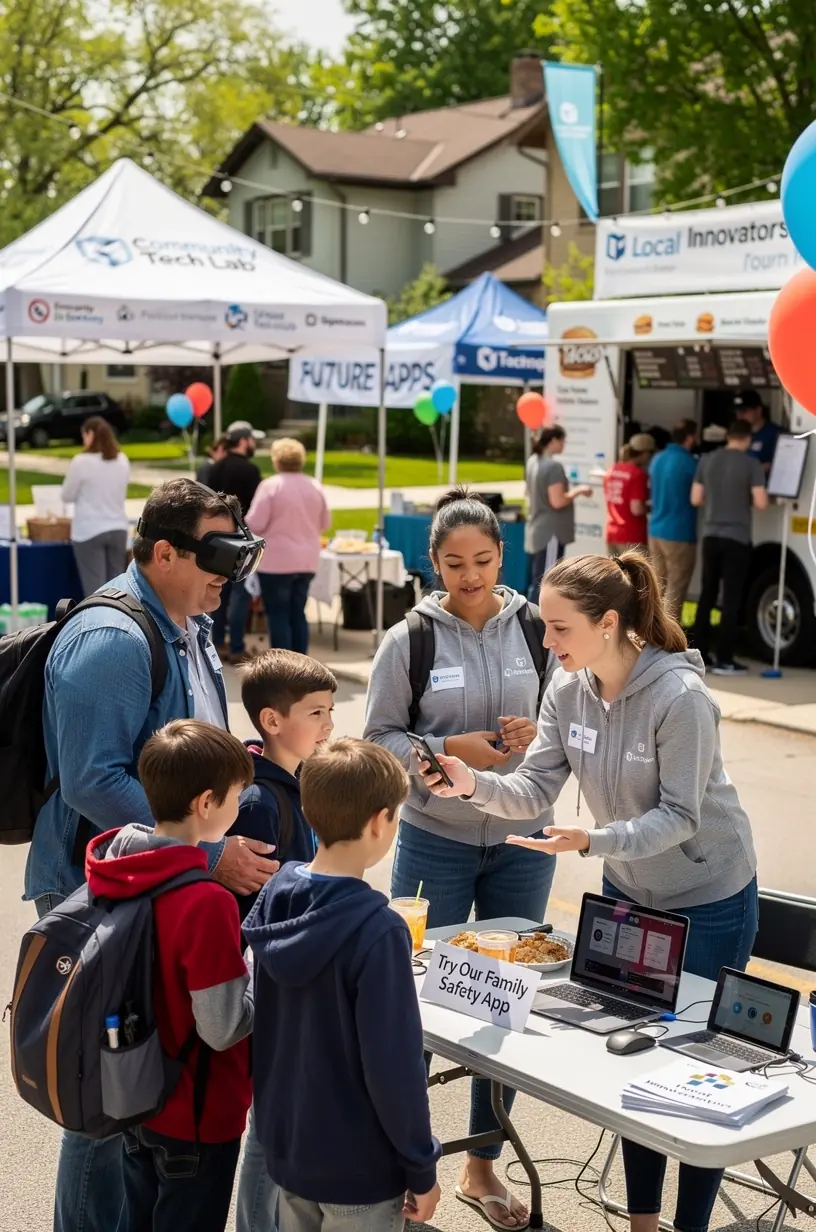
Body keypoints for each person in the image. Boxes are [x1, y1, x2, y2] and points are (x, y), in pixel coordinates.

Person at [421, 550, 759, 1232]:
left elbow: (681, 816)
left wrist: (593, 840)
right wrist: (472, 784)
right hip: (629, 890)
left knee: (697, 1070)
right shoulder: (568, 688)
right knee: (633, 1055)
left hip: (708, 895)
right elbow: (535, 786)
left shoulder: (681, 697)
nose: (546, 642)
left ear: (608, 623)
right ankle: (642, 1225)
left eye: (558, 628)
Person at [28, 478, 278, 1232]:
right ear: (163, 552)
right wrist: (209, 856)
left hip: (159, 893)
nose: (230, 574)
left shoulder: (190, 622)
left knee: (143, 1085)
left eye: (240, 555)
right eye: (218, 555)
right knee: (103, 1094)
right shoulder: (111, 638)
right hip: (105, 895)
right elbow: (92, 779)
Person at [364, 487, 556, 1230]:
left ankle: (482, 1166)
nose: (469, 575)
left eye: (482, 560)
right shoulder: (408, 639)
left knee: (504, 1003)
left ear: (503, 557)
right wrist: (448, 748)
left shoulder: (538, 628)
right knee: (409, 1005)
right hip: (433, 839)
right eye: (453, 563)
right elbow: (378, 739)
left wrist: (535, 735)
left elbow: (569, 724)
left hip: (522, 840)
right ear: (432, 563)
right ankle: (401, 1172)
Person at [244, 738, 442, 1232]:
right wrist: (421, 1165)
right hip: (360, 1167)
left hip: (290, 1149)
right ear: (379, 822)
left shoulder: (277, 894)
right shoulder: (379, 930)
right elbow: (394, 1066)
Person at [85, 720, 256, 1232]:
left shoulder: (116, 868)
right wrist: (261, 974)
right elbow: (222, 1026)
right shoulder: (206, 901)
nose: (240, 807)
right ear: (206, 803)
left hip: (134, 1093)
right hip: (198, 1112)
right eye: (236, 797)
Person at [231, 649, 338, 1232]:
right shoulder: (259, 801)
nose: (329, 724)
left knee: (281, 1124)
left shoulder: (294, 784)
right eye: (316, 713)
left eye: (330, 711)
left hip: (291, 979)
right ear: (271, 721)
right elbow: (254, 915)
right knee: (269, 1130)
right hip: (271, 986)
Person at [690, 419, 768, 675]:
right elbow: (761, 503)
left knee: (708, 594)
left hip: (711, 534)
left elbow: (696, 498)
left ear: (728, 436)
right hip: (737, 537)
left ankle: (700, 653)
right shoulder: (751, 464)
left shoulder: (707, 460)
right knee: (732, 598)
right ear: (747, 438)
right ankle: (725, 658)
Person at [245, 438, 330, 655]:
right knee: (298, 613)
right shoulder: (314, 486)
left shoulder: (270, 486)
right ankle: (301, 660)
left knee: (278, 614)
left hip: (277, 561)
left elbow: (255, 523)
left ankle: (283, 664)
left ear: (276, 460)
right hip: (307, 560)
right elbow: (325, 523)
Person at [209, 422, 263, 662]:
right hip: (243, 537)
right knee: (240, 595)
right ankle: (237, 646)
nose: (253, 444)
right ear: (243, 441)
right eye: (251, 439)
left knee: (219, 590)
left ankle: (218, 641)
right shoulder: (250, 470)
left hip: (218, 537)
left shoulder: (216, 467)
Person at [61, 416, 130, 596]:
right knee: (118, 590)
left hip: (89, 530)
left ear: (90, 434)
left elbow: (67, 495)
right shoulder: (122, 460)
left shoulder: (81, 462)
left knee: (95, 590)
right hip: (118, 528)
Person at [525, 425, 592, 598]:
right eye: (563, 441)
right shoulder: (553, 467)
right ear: (554, 440)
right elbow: (558, 501)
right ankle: (539, 615)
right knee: (548, 582)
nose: (564, 445)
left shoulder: (533, 461)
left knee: (538, 580)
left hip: (537, 529)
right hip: (551, 533)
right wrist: (578, 491)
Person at [647, 419, 699, 622]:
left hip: (656, 529)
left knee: (658, 586)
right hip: (679, 532)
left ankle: (650, 629)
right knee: (675, 588)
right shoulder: (690, 463)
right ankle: (667, 635)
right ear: (690, 438)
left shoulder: (657, 459)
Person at [603, 433, 655, 556]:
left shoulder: (612, 470)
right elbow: (636, 509)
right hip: (632, 535)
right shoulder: (637, 474)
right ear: (644, 453)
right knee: (636, 569)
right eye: (651, 453)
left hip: (612, 532)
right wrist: (653, 507)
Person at [734, 387, 781, 473]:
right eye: (737, 412)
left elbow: (782, 463)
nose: (740, 416)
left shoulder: (776, 434)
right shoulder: (736, 434)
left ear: (758, 410)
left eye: (744, 411)